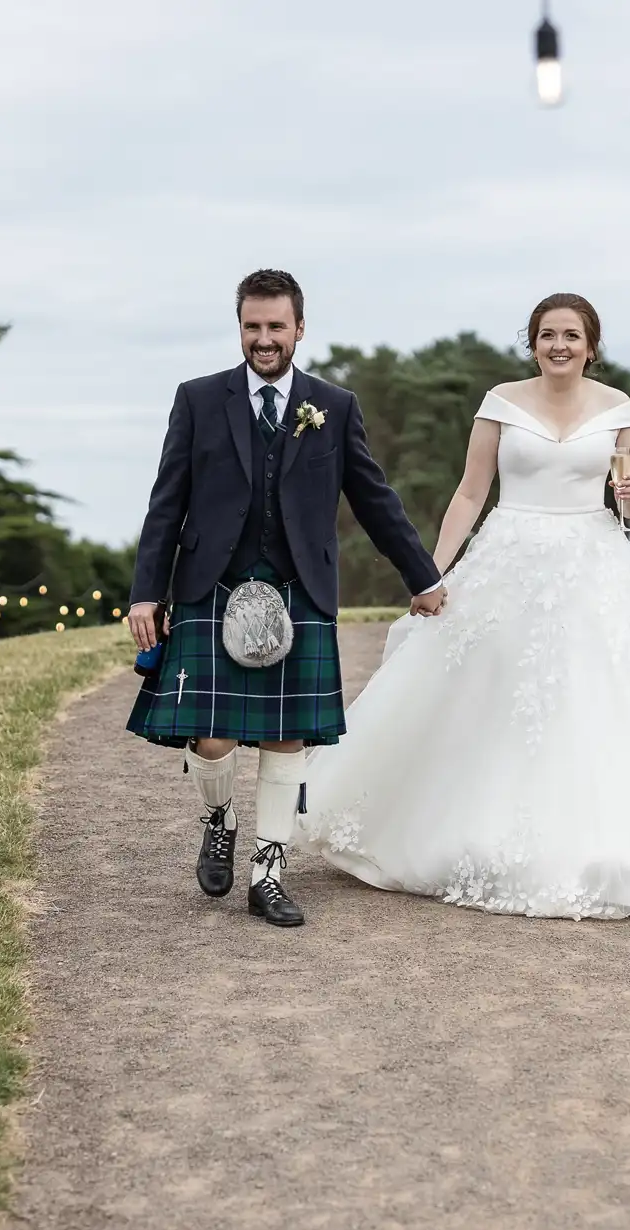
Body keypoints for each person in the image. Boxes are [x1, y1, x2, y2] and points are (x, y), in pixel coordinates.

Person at [299, 293, 630, 919]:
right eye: (547, 334)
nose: (559, 345)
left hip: (592, 567)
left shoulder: (619, 410)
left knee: (589, 698)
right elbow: (470, 493)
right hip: (510, 557)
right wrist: (431, 570)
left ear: (591, 346)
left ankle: (592, 843)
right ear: (534, 342)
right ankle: (450, 825)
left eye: (571, 335)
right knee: (487, 689)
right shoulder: (501, 402)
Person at [125, 269, 446, 928]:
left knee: (284, 736)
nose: (264, 339)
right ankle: (221, 818)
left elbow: (375, 500)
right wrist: (146, 591)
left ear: (300, 328)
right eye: (253, 327)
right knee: (211, 737)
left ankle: (268, 871)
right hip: (211, 584)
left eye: (276, 326)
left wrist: (423, 576)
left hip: (299, 586)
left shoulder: (334, 406)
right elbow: (167, 501)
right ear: (240, 327)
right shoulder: (198, 399)